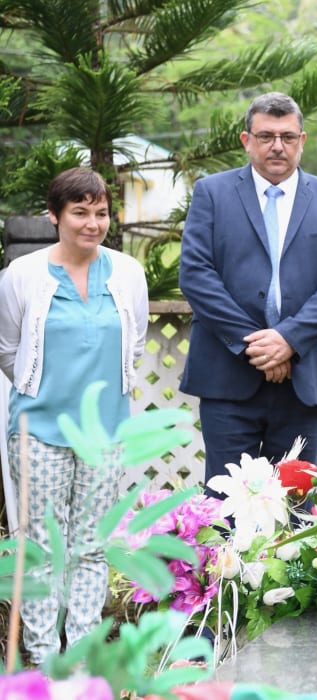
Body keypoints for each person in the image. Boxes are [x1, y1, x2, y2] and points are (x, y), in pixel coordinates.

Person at [0, 167, 149, 664]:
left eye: (101, 212)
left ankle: (81, 661)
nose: (92, 223)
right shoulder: (22, 276)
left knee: (91, 546)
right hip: (39, 430)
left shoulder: (128, 272)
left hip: (104, 432)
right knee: (44, 548)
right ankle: (44, 663)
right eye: (80, 212)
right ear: (54, 216)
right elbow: (7, 350)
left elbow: (137, 343)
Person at [179, 92, 317, 495]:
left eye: (287, 136)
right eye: (266, 136)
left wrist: (288, 340)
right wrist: (257, 346)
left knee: (294, 505)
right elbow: (195, 275)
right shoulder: (212, 193)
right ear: (247, 140)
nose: (277, 146)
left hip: (303, 375)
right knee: (226, 505)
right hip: (228, 377)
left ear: (302, 140)